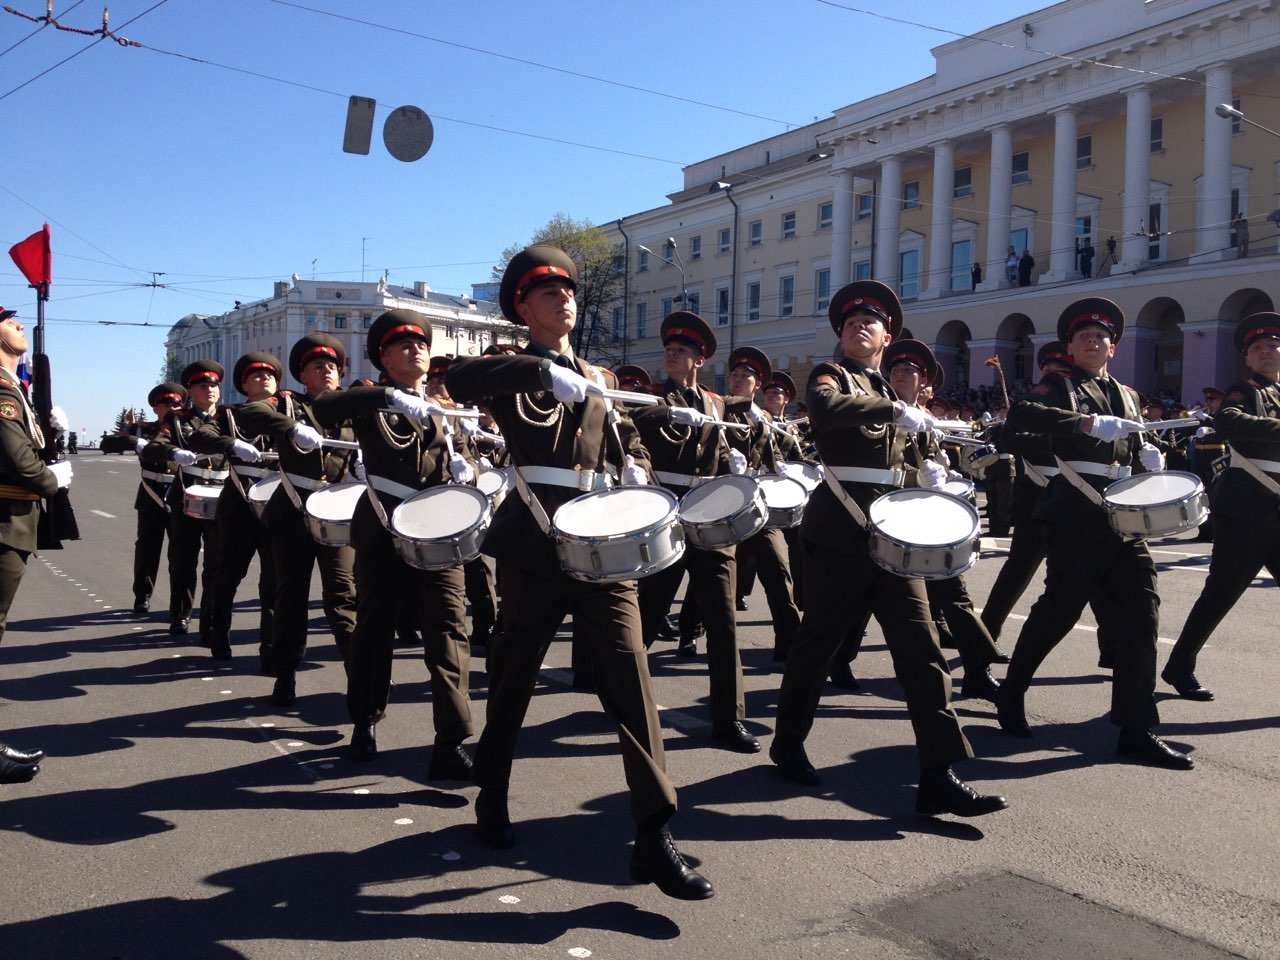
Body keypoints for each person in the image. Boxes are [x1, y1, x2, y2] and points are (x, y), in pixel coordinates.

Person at [446, 244, 713, 900]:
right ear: (523, 308)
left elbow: (627, 435)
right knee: (514, 679)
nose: (563, 300)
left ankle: (653, 831)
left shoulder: (594, 373)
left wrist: (640, 466)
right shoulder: (508, 367)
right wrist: (537, 375)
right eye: (547, 294)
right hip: (536, 548)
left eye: (568, 292)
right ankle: (493, 794)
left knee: (630, 677)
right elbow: (458, 381)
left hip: (602, 546)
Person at [770, 280, 1007, 817]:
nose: (859, 325)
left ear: (888, 335)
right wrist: (894, 411)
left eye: (870, 321)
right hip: (838, 536)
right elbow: (828, 408)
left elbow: (901, 462)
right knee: (818, 646)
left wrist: (930, 473)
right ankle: (787, 742)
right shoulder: (834, 377)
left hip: (893, 537)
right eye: (850, 320)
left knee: (922, 652)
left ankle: (938, 772)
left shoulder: (897, 398)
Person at [996, 297, 1192, 770]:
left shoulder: (1126, 394)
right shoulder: (1059, 384)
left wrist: (1150, 452)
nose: (1093, 340)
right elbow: (1022, 415)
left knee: (1141, 618)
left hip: (1124, 519)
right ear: (1070, 345)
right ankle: (1013, 690)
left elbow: (1133, 437)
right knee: (1058, 613)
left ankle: (1136, 727)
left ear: (1114, 348)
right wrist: (1084, 422)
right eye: (1084, 336)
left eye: (1102, 336)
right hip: (1076, 515)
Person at [312, 312, 475, 781]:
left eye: (420, 344)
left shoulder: (443, 405)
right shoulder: (368, 400)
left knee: (448, 630)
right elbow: (325, 408)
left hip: (438, 527)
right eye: (402, 346)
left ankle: (451, 738)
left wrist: (468, 468)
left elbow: (466, 454)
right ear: (382, 357)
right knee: (374, 629)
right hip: (383, 526)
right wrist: (388, 396)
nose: (415, 352)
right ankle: (364, 721)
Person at [630, 311, 759, 753]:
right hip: (668, 515)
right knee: (646, 615)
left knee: (722, 623)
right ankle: (626, 699)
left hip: (707, 518)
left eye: (681, 351)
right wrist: (669, 414)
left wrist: (733, 465)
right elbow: (633, 427)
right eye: (669, 349)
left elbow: (725, 445)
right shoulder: (652, 398)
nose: (672, 355)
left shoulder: (716, 403)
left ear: (698, 360)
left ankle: (729, 719)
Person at [1162, 313, 1280, 701]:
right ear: (1247, 358)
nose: (1268, 351)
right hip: (1247, 508)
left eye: (1274, 345)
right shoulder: (1243, 391)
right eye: (1259, 347)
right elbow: (1227, 421)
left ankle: (1179, 665)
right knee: (1221, 593)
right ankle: (1180, 664)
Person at [237, 333, 359, 705]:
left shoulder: (353, 410)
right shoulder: (288, 405)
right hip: (293, 511)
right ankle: (285, 672)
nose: (326, 370)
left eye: (332, 366)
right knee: (290, 596)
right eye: (316, 365)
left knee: (343, 597)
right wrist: (289, 428)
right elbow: (249, 413)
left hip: (337, 514)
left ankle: (360, 679)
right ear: (301, 375)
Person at [0, 306, 69, 783]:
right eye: (7, 319)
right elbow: (17, 460)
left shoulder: (12, 388)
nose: (19, 324)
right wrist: (52, 479)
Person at [184, 352, 280, 664]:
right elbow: (201, 436)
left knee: (274, 582)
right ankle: (219, 634)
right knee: (228, 575)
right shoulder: (230, 415)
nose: (263, 379)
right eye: (255, 376)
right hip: (239, 506)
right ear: (243, 385)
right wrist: (231, 444)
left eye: (268, 375)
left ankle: (270, 645)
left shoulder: (290, 412)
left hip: (278, 506)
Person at [723, 346, 801, 663]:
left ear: (757, 385)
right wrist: (725, 461)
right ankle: (690, 629)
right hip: (723, 502)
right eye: (736, 374)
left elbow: (774, 453)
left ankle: (790, 641)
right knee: (715, 576)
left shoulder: (764, 418)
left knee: (778, 570)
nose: (740, 378)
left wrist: (780, 466)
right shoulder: (716, 407)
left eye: (748, 376)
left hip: (758, 505)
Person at [141, 361, 227, 644]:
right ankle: (180, 614)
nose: (210, 389)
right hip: (186, 495)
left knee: (217, 561)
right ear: (191, 390)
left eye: (214, 385)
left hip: (223, 496)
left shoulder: (231, 418)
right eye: (203, 385)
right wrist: (173, 452)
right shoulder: (177, 419)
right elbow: (155, 446)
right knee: (183, 559)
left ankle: (211, 616)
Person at [131, 383, 185, 616]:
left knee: (180, 552)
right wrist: (132, 440)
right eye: (168, 403)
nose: (173, 407)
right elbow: (110, 442)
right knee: (147, 549)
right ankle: (142, 595)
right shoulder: (143, 430)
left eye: (177, 403)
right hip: (151, 494)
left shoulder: (187, 430)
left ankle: (178, 602)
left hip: (178, 494)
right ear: (155, 408)